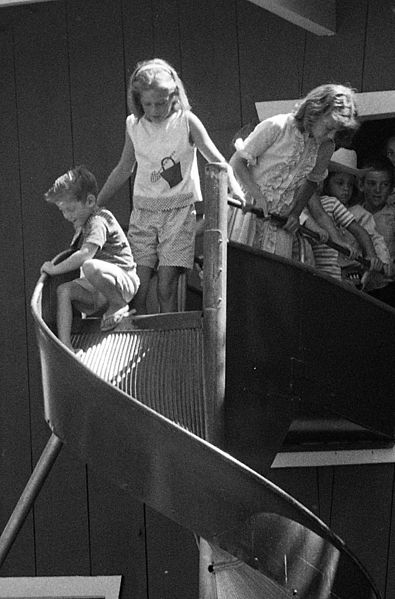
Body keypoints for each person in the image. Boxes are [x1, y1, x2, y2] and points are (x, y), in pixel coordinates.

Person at [97, 58, 242, 314]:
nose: (155, 109)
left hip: (179, 211)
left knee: (166, 284)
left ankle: (167, 334)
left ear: (174, 95)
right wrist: (97, 204)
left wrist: (236, 188)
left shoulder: (186, 121)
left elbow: (217, 160)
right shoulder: (134, 125)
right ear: (138, 100)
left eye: (161, 102)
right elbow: (123, 168)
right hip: (144, 212)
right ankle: (138, 335)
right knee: (137, 286)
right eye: (148, 103)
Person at [229, 84, 360, 259]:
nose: (331, 135)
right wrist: (257, 195)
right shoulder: (277, 126)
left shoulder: (325, 146)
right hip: (250, 211)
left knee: (271, 277)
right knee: (240, 270)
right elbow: (237, 161)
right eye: (329, 128)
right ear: (315, 111)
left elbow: (312, 181)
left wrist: (295, 212)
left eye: (337, 132)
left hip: (279, 222)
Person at [40, 165, 140, 353]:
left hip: (123, 281)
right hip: (98, 290)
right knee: (64, 290)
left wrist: (54, 269)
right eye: (62, 211)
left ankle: (118, 304)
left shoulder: (98, 220)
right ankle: (66, 346)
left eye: (70, 209)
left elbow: (85, 254)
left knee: (89, 265)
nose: (67, 216)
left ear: (90, 201)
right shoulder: (83, 224)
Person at [302, 148, 384, 282]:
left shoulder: (333, 204)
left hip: (338, 274)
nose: (346, 189)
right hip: (315, 273)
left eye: (350, 185)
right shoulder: (305, 207)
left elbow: (359, 231)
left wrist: (371, 255)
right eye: (340, 183)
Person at [357, 156, 395, 304]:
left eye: (384, 184)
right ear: (361, 185)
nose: (377, 190)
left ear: (391, 189)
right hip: (357, 285)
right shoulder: (352, 213)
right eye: (372, 183)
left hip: (387, 287)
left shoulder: (392, 216)